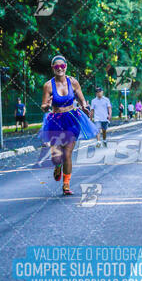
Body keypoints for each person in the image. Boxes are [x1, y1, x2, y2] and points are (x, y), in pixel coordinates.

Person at [40, 55, 97, 195]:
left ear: (66, 67)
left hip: (72, 119)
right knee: (56, 157)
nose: (60, 69)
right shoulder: (48, 85)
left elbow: (82, 100)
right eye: (56, 66)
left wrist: (85, 106)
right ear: (53, 68)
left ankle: (66, 184)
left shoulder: (73, 82)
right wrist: (46, 106)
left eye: (62, 66)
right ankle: (57, 166)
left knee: (67, 154)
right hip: (55, 121)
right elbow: (43, 104)